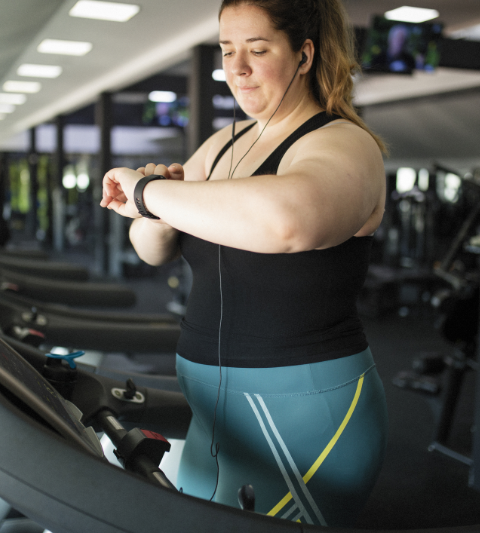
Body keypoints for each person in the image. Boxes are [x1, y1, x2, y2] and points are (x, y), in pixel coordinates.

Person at [101, 0, 387, 526]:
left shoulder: (346, 143)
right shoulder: (222, 145)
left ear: (304, 55)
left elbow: (288, 222)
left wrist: (148, 191)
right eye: (228, 51)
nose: (237, 68)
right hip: (213, 413)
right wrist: (158, 207)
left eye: (257, 50)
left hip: (304, 417)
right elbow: (150, 247)